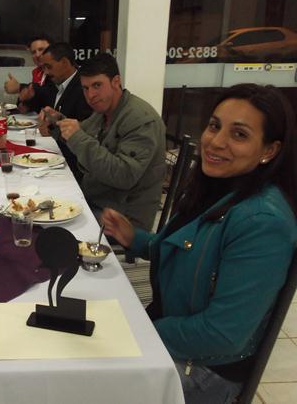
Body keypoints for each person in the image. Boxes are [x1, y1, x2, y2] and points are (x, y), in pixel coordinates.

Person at [102, 83, 297, 404]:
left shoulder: (262, 222)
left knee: (81, 379)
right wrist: (135, 238)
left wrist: (138, 330)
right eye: (214, 126)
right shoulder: (218, 186)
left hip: (205, 370)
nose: (216, 142)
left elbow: (223, 335)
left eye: (239, 134)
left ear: (269, 150)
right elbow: (192, 256)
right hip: (171, 332)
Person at [48, 54, 166, 230]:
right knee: (44, 200)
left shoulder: (141, 120)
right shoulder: (104, 111)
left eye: (97, 85)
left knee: (52, 228)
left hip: (122, 217)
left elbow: (124, 175)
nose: (90, 95)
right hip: (98, 199)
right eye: (86, 88)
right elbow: (81, 132)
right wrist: (57, 123)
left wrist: (77, 137)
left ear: (116, 82)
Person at [19, 42, 92, 126]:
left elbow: (87, 127)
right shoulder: (51, 83)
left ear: (65, 63)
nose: (46, 72)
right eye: (44, 68)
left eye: (49, 67)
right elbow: (40, 102)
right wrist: (28, 101)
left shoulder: (84, 88)